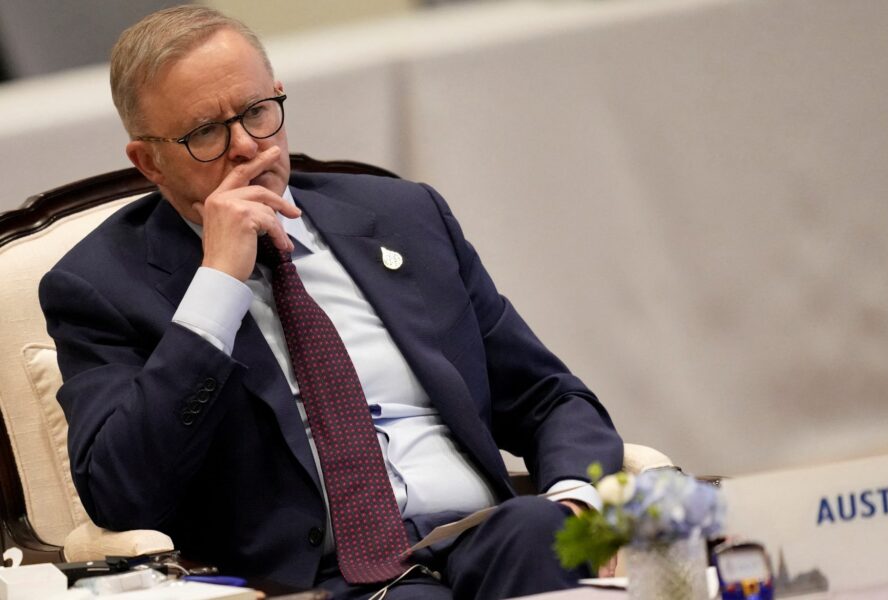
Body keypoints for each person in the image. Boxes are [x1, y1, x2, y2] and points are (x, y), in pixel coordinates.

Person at [39, 5, 622, 599]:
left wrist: (577, 498)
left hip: (489, 540)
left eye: (257, 112)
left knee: (542, 531)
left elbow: (548, 396)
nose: (246, 147)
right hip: (324, 582)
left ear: (279, 97)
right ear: (149, 161)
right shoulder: (101, 287)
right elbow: (120, 490)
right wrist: (217, 284)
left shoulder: (406, 217)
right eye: (205, 133)